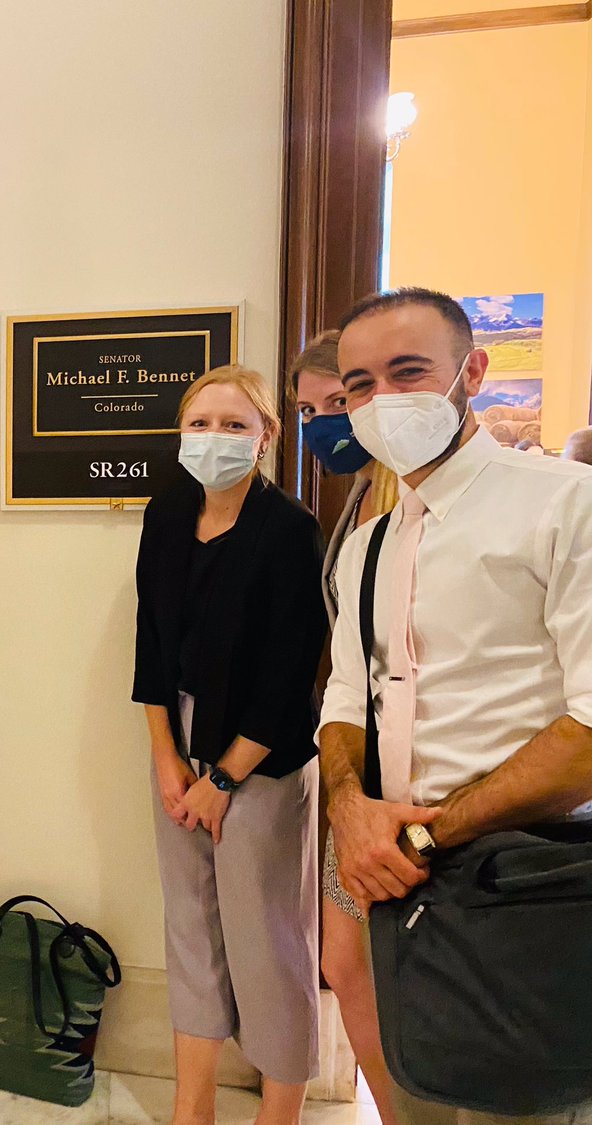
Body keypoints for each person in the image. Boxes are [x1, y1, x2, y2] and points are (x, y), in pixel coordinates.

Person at [319, 288, 592, 1123]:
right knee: (419, 1089)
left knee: (521, 1105)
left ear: (471, 372)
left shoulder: (562, 504)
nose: (382, 401)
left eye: (408, 372)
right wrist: (348, 806)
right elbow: (344, 694)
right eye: (360, 384)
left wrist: (430, 829)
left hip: (526, 876)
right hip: (403, 881)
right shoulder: (368, 543)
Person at [133, 366, 327, 1125]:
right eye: (201, 423)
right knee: (189, 925)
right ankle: (193, 1107)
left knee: (267, 940)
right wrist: (165, 757)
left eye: (234, 424)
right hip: (179, 737)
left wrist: (222, 778)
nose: (215, 438)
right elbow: (151, 640)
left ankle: (277, 1113)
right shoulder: (168, 511)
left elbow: (289, 673)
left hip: (263, 755)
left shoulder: (289, 530)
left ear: (267, 436)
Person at [291, 333, 400, 1123]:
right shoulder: (359, 500)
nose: (326, 422)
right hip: (357, 768)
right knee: (344, 959)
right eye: (308, 409)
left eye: (340, 401)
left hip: (413, 775)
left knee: (381, 965)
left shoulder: (407, 496)